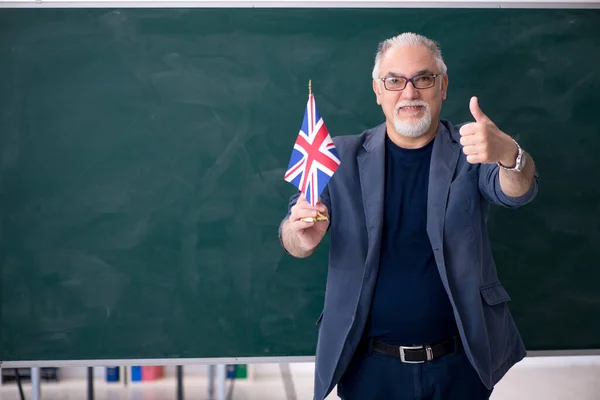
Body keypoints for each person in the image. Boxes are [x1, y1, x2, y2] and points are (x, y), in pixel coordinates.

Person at [279, 32, 540, 400]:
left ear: (443, 86)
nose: (409, 92)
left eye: (424, 78)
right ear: (378, 91)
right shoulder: (337, 156)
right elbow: (294, 235)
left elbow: (517, 191)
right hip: (368, 369)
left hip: (460, 365)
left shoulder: (472, 149)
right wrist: (302, 234)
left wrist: (509, 154)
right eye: (395, 81)